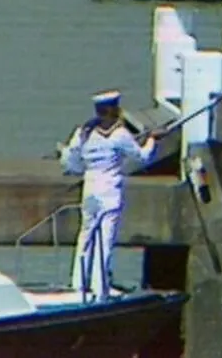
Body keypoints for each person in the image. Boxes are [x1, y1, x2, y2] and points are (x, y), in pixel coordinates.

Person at [59, 91, 162, 298]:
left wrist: (82, 169)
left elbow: (69, 161)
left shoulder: (84, 132)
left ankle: (78, 284)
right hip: (109, 192)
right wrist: (152, 140)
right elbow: (142, 157)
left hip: (90, 189)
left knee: (85, 236)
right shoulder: (120, 134)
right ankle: (100, 288)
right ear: (114, 109)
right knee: (104, 241)